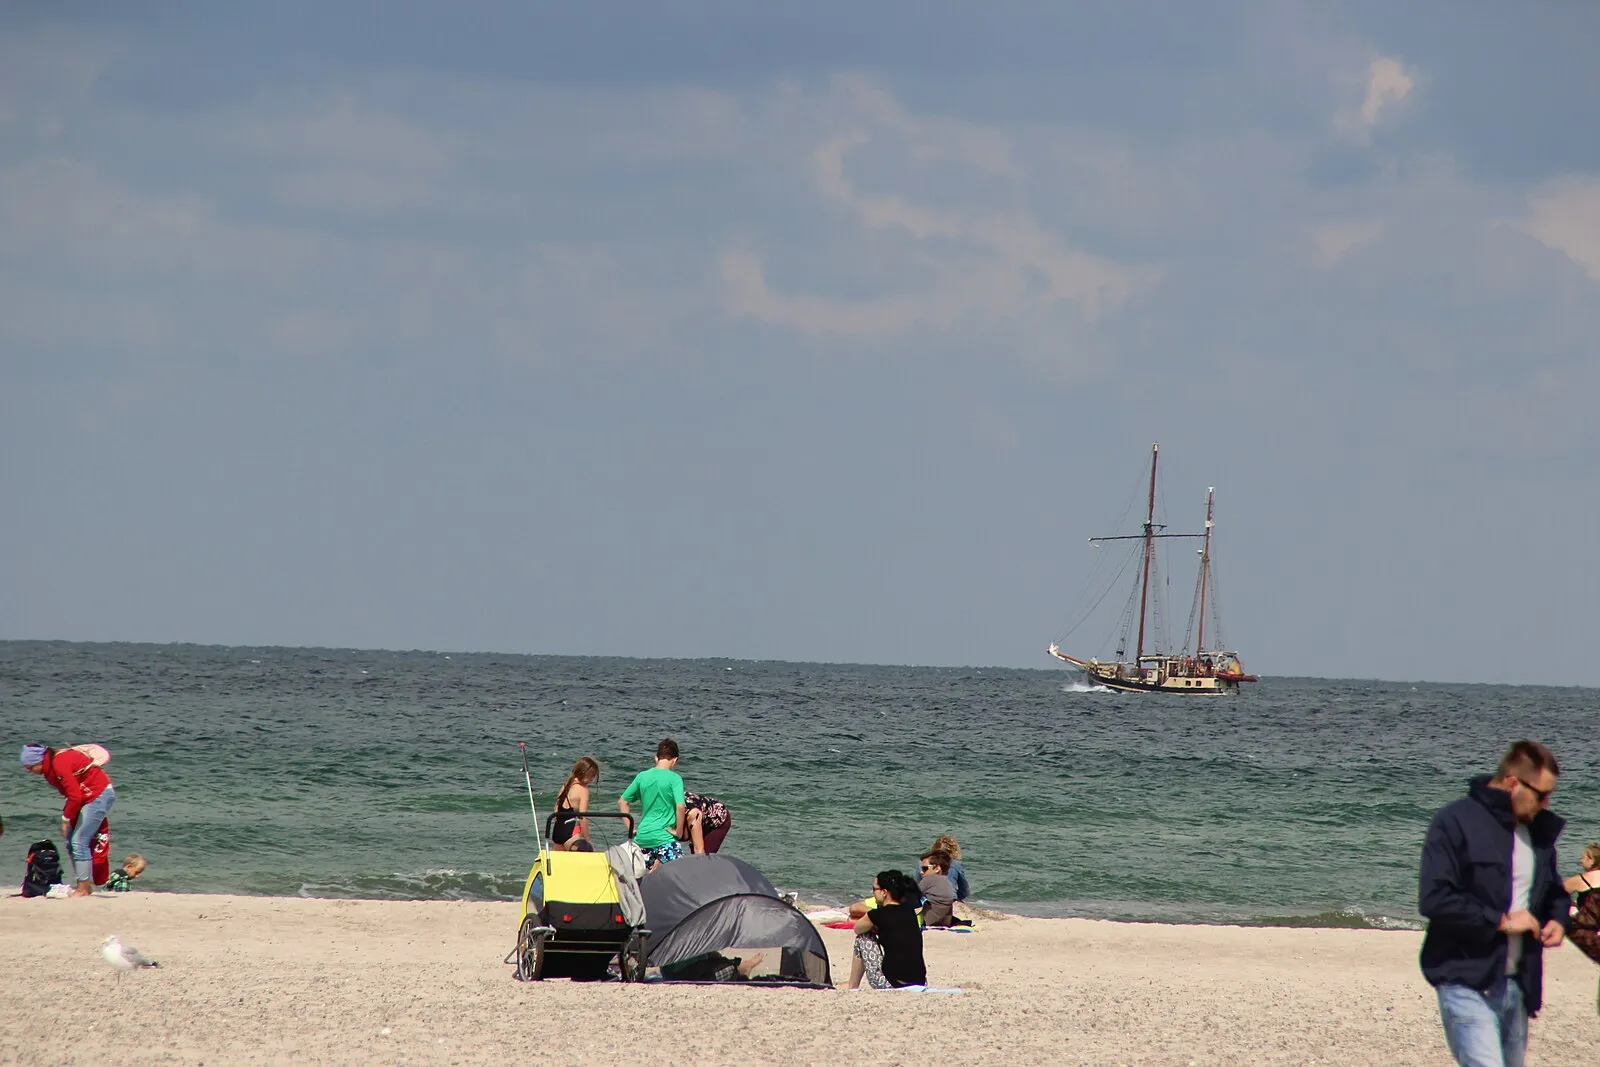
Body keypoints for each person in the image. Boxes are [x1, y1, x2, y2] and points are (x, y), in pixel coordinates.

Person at [1419, 740, 1570, 1067]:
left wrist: (1558, 920)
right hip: (1464, 978)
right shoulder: (1454, 821)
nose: (1546, 804)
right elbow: (1434, 899)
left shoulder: (1537, 832)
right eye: (1541, 795)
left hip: (1516, 986)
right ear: (1513, 783)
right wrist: (1500, 920)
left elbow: (1554, 892)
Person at [20, 743, 115, 898]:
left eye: (30, 767)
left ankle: (83, 888)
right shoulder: (49, 769)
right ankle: (85, 885)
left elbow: (75, 796)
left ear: (40, 761)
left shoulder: (59, 763)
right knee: (71, 841)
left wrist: (65, 819)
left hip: (99, 794)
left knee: (79, 841)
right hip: (85, 797)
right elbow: (73, 794)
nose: (29, 771)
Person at [848, 870, 927, 990]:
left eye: (874, 889)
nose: (873, 893)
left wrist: (872, 921)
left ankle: (852, 986)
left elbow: (857, 928)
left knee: (863, 937)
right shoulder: (909, 911)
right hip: (919, 981)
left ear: (884, 892)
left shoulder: (878, 914)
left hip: (892, 983)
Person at [618, 739, 686, 870]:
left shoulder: (642, 776)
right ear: (675, 760)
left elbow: (622, 802)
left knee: (643, 879)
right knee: (679, 873)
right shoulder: (675, 778)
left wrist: (631, 829)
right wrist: (679, 831)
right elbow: (680, 806)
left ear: (656, 758)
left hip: (642, 837)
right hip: (664, 838)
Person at [1565, 842, 1600, 1015]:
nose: (1581, 859)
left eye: (1584, 857)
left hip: (1589, 926)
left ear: (1592, 861)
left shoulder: (1582, 879)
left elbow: (1557, 891)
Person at [550, 757, 600, 852]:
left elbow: (556, 809)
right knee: (586, 854)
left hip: (557, 833)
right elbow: (583, 817)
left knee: (562, 864)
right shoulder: (583, 790)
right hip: (572, 834)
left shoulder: (565, 786)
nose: (592, 779)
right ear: (585, 773)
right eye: (592, 776)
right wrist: (588, 840)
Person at [683, 790, 732, 854]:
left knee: (704, 855)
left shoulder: (691, 813)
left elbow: (699, 851)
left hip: (717, 818)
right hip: (700, 816)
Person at [918, 850, 956, 927]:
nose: (921, 872)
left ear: (937, 868)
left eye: (925, 868)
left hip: (926, 920)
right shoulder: (947, 882)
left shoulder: (929, 879)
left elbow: (910, 894)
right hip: (942, 921)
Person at [929, 834, 970, 903]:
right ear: (953, 851)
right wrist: (957, 897)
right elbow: (964, 890)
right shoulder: (955, 864)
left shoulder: (923, 863)